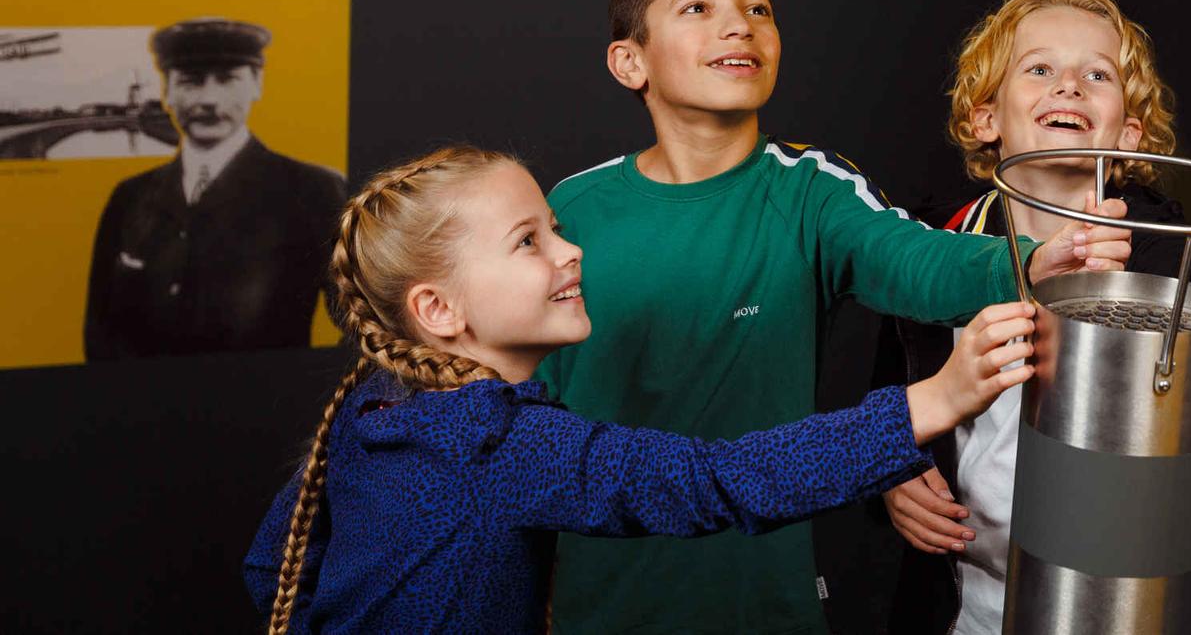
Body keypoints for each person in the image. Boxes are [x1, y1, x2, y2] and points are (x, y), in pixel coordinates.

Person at [537, 0, 1133, 635]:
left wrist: (1031, 262)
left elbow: (918, 263)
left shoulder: (815, 190)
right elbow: (529, 417)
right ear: (630, 62)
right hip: (598, 605)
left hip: (767, 603)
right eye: (698, 8)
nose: (739, 26)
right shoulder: (570, 210)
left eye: (758, 8)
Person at [244, 146, 1038, 635]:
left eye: (556, 226)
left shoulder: (378, 402)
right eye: (530, 242)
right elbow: (711, 481)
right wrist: (932, 400)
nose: (571, 252)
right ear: (438, 310)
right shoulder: (496, 443)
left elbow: (271, 567)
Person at [884, 0, 1191, 634]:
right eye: (1040, 68)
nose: (1070, 86)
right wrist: (890, 471)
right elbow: (893, 392)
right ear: (985, 118)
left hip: (1112, 601)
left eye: (1097, 74)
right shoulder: (935, 246)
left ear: (1129, 133)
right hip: (970, 599)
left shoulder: (1170, 262)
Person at [83, 18, 344, 359]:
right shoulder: (129, 197)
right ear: (167, 92)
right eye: (190, 82)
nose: (208, 99)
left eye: (227, 80)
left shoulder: (315, 190)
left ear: (256, 84)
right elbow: (100, 331)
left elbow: (363, 327)